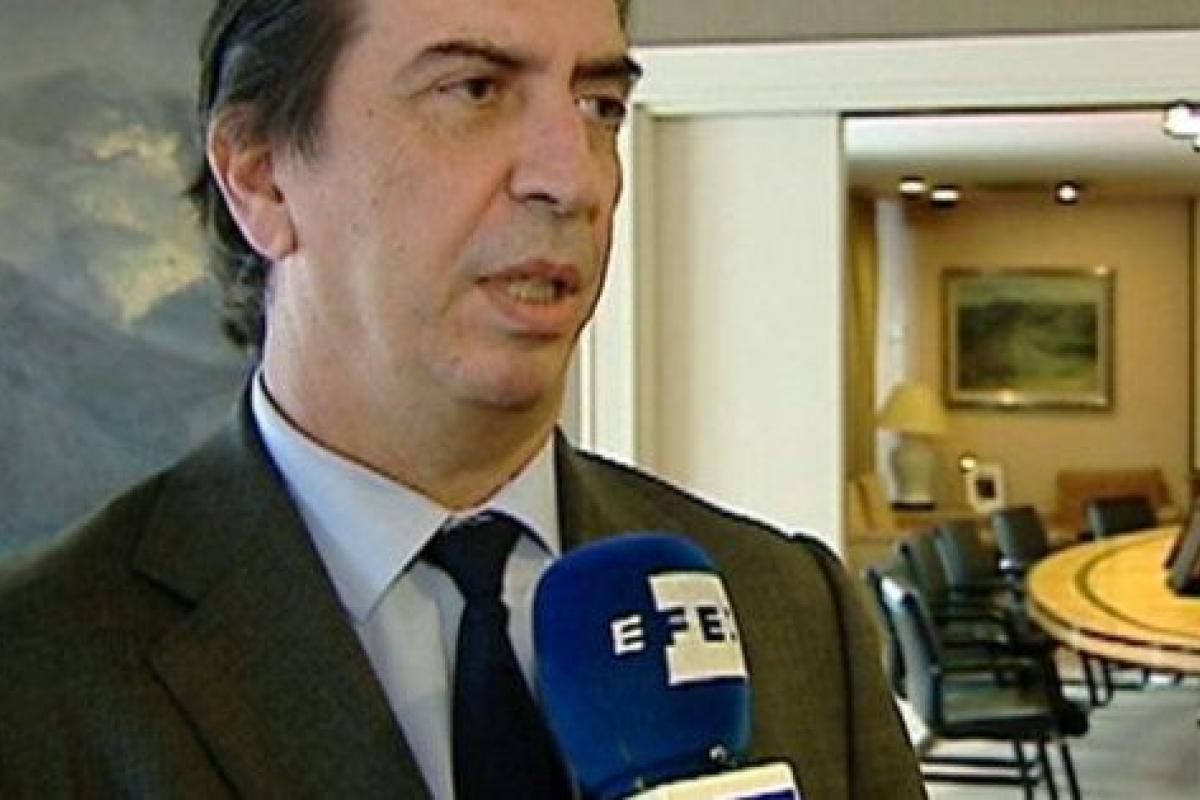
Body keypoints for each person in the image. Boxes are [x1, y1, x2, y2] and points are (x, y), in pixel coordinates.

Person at [0, 0, 926, 797]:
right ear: (261, 173)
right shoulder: (36, 672)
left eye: (600, 105)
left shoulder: (791, 613)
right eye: (475, 90)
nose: (574, 179)